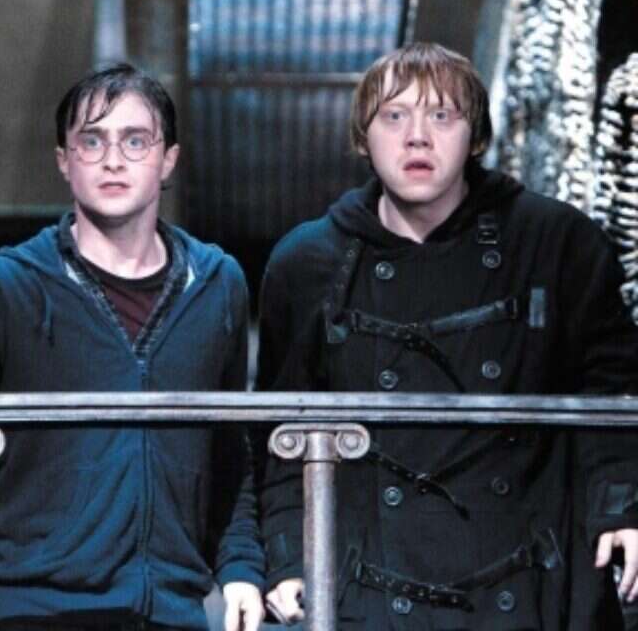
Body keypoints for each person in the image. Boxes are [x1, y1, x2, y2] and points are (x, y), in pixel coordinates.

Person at [255, 42, 638, 629]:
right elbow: (282, 434)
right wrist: (286, 558)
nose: (417, 137)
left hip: (527, 588)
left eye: (442, 115)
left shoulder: (557, 243)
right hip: (370, 595)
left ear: (475, 136)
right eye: (394, 116)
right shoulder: (307, 264)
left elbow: (612, 391)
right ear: (363, 137)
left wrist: (623, 507)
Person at [0, 63, 264, 631]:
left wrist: (241, 566)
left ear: (168, 160)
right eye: (92, 141)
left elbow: (230, 453)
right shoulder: (2, 290)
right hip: (35, 610)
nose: (113, 160)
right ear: (64, 160)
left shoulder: (218, 286)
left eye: (135, 141)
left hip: (175, 611)